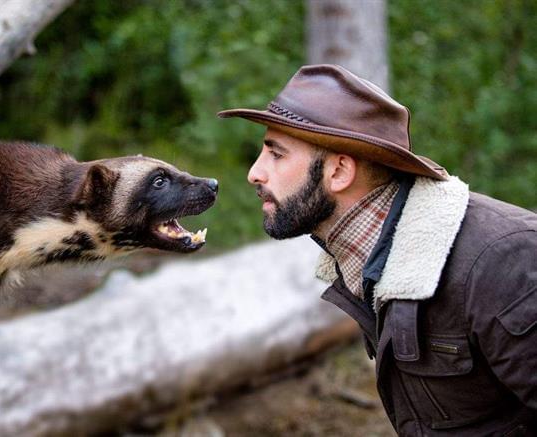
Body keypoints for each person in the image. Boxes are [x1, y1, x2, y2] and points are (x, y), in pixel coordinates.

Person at [218, 64, 537, 436]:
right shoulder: (370, 261)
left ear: (339, 173)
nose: (255, 172)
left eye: (276, 154)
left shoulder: (505, 260)